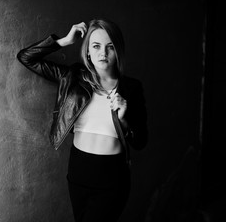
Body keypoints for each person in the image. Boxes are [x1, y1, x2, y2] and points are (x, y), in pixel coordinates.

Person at [17, 19, 148, 222]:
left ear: (118, 51)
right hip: (78, 173)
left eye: (110, 46)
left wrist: (124, 119)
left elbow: (140, 142)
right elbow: (26, 58)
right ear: (87, 50)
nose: (102, 53)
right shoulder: (73, 77)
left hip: (112, 177)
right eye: (96, 46)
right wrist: (63, 41)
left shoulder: (131, 88)